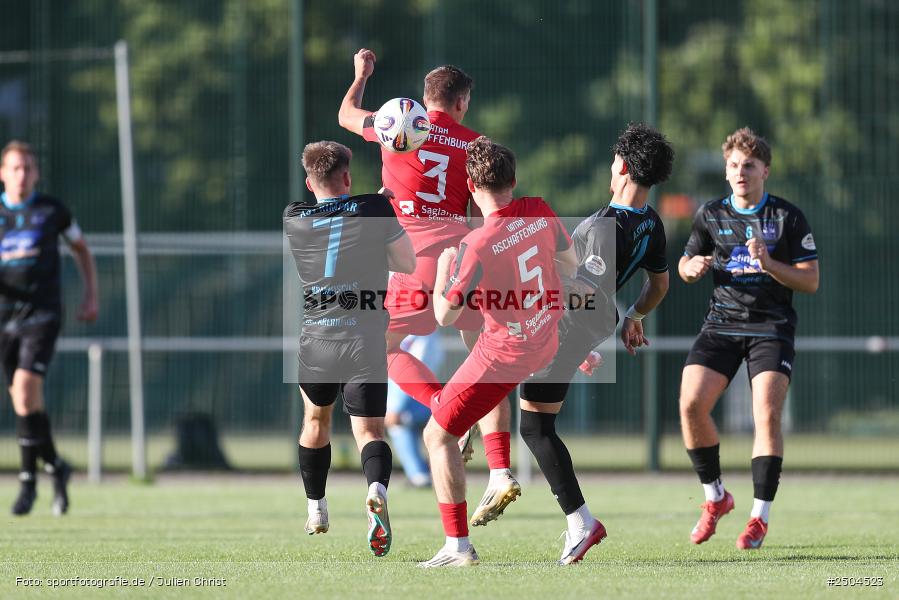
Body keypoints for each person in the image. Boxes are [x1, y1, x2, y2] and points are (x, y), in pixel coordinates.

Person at [338, 48, 519, 525]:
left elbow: (344, 114)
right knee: (486, 346)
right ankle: (500, 468)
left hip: (411, 261)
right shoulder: (474, 143)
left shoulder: (394, 122)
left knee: (380, 345)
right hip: (461, 261)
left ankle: (442, 403)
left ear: (423, 99)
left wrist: (360, 77)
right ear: (461, 103)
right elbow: (488, 207)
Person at [414, 137, 577, 567]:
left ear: (468, 184)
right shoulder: (539, 210)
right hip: (546, 341)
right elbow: (571, 265)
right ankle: (500, 470)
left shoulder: (476, 245)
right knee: (531, 426)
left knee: (436, 435)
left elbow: (445, 314)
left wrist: (447, 266)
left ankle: (458, 547)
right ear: (514, 180)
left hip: (504, 354)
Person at [519, 123, 673, 564]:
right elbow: (658, 284)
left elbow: (583, 292)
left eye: (612, 160)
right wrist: (635, 317)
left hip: (568, 327)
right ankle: (575, 520)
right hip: (585, 327)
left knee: (533, 426)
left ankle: (580, 522)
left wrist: (568, 337)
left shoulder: (604, 226)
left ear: (622, 167)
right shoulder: (652, 222)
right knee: (534, 423)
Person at [678, 127, 819, 550]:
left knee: (766, 415)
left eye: (750, 166)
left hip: (771, 328)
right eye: (735, 166)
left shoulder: (787, 217)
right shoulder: (710, 214)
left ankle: (759, 518)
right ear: (726, 171)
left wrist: (769, 262)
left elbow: (810, 281)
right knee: (690, 405)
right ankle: (715, 498)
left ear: (765, 171)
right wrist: (691, 268)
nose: (741, 172)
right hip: (721, 324)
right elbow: (685, 262)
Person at [283, 141, 415, 557]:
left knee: (315, 420)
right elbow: (407, 263)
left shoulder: (293, 216)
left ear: (309, 182)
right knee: (370, 432)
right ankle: (375, 490)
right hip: (364, 337)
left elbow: (336, 220)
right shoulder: (374, 210)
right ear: (347, 176)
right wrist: (379, 217)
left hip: (317, 340)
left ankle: (316, 509)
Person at [1, 140, 98, 516]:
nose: (21, 174)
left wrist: (90, 296)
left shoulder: (51, 211)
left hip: (41, 315)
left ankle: (27, 484)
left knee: (25, 391)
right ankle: (57, 467)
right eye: (15, 168)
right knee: (26, 404)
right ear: (3, 173)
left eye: (27, 168)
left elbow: (82, 249)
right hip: (3, 319)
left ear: (36, 173)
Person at [385, 332, 444, 488]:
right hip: (410, 396)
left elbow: (414, 371)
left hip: (423, 396)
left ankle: (420, 474)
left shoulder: (424, 333)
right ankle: (421, 472)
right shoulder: (401, 330)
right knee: (400, 423)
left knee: (399, 421)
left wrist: (396, 407)